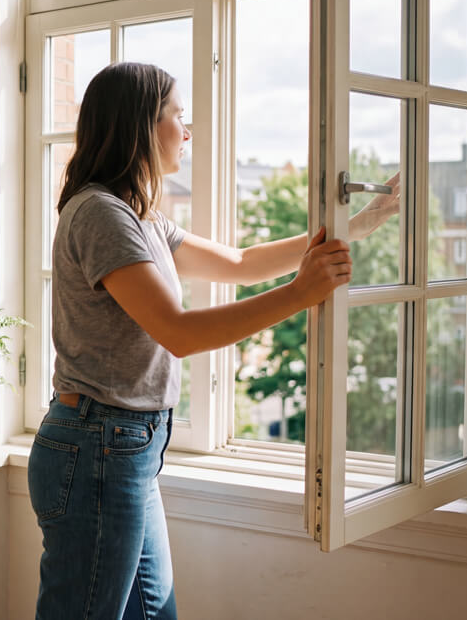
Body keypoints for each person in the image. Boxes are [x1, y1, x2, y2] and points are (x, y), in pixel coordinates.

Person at [28, 62, 399, 619]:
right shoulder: (102, 215)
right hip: (97, 445)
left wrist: (356, 227)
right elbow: (178, 332)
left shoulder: (142, 217)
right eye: (179, 116)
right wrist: (303, 293)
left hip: (124, 446)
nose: (188, 130)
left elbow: (243, 263)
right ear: (141, 127)